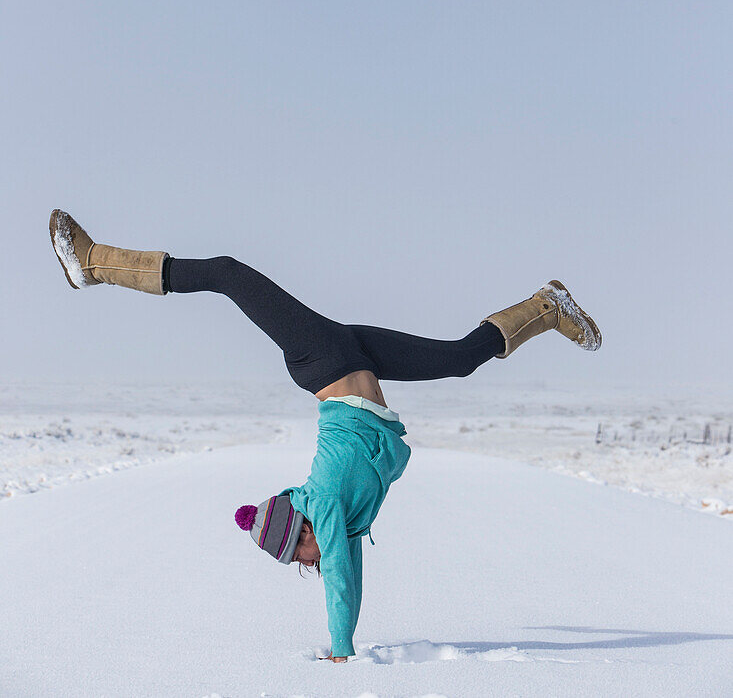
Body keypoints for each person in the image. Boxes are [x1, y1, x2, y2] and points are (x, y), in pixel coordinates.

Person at [49, 209, 602, 663]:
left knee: (227, 272)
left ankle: (93, 263)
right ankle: (547, 306)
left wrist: (341, 650)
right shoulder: (345, 521)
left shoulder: (327, 503)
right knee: (459, 360)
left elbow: (337, 578)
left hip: (324, 359)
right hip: (353, 355)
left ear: (304, 527)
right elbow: (348, 572)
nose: (309, 565)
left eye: (300, 556)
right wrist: (345, 629)